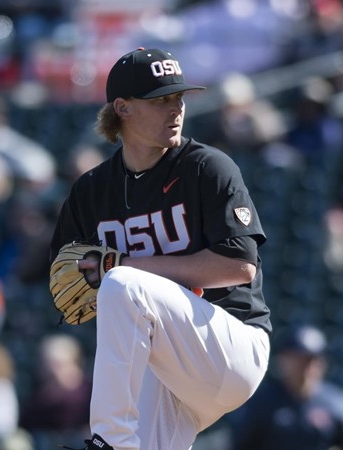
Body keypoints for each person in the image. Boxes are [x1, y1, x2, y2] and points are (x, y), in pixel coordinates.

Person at [50, 47, 272, 450]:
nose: (176, 109)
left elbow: (240, 267)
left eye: (179, 98)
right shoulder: (92, 191)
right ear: (123, 108)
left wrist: (126, 267)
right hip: (166, 369)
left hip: (228, 345)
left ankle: (110, 441)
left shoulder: (206, 167)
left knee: (122, 284)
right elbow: (63, 279)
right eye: (161, 100)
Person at [230, 324, 343, 450]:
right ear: (283, 360)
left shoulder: (337, 404)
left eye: (311, 360)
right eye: (298, 359)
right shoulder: (262, 403)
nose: (305, 367)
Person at [20, 333, 92, 449]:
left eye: (57, 364)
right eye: (46, 364)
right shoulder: (38, 400)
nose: (51, 370)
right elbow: (25, 430)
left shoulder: (90, 393)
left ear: (74, 363)